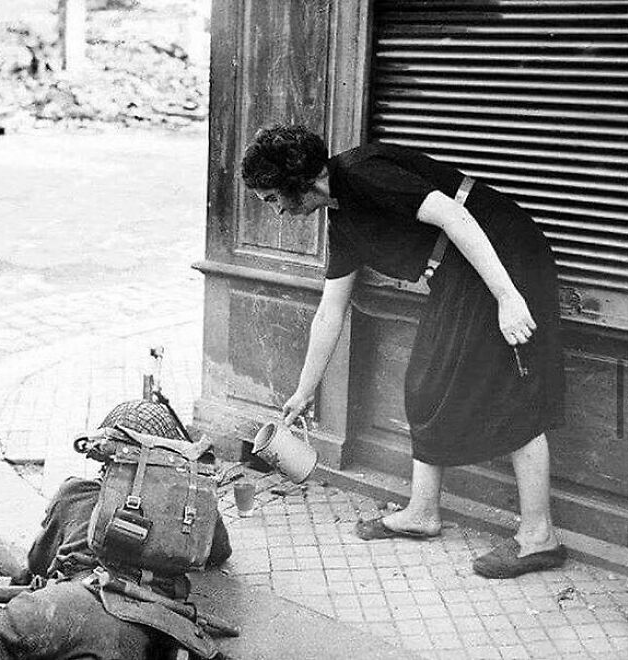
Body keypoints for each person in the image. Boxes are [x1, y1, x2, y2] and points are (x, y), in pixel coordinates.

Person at [241, 124, 566, 579]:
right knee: (423, 381)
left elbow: (456, 217)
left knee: (506, 389)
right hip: (459, 269)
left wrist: (508, 298)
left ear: (300, 183)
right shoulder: (343, 222)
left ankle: (539, 537)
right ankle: (422, 513)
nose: (276, 212)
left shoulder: (363, 173)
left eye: (273, 198)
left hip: (501, 252)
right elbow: (329, 311)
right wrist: (303, 390)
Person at [0, 400, 232, 660]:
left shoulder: (75, 492)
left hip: (64, 606)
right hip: (150, 626)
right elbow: (219, 551)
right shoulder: (182, 515)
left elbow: (38, 563)